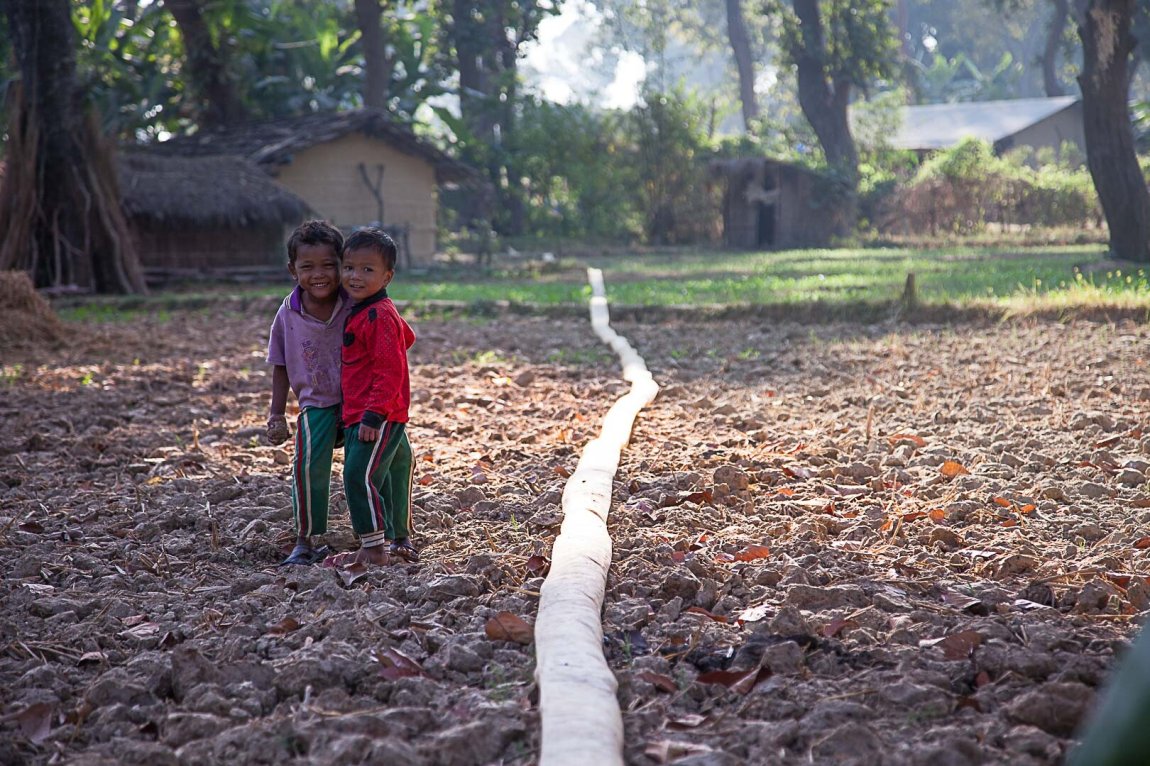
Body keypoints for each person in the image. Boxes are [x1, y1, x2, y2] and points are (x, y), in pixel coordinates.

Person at [324, 227, 419, 567]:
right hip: (368, 411)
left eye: (368, 270)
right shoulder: (368, 310)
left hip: (375, 415)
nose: (355, 276)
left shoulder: (378, 315)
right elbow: (406, 337)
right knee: (394, 469)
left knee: (358, 475)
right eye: (349, 268)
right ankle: (398, 537)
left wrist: (373, 414)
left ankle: (373, 547)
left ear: (387, 275)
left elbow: (391, 368)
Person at [265, 219, 351, 566]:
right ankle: (307, 538)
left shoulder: (355, 302)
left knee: (388, 460)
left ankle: (389, 535)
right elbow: (280, 364)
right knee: (308, 466)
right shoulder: (288, 314)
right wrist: (275, 413)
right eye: (308, 267)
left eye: (329, 265)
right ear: (292, 269)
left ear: (341, 265)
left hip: (360, 403)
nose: (320, 274)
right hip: (316, 403)